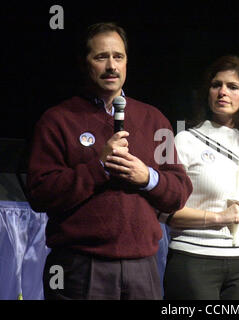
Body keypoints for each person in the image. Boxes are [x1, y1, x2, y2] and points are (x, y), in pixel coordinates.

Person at [26, 22, 193, 300]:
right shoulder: (57, 120)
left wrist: (148, 178)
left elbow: (178, 192)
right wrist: (98, 168)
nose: (111, 66)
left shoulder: (154, 119)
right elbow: (40, 193)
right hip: (80, 266)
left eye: (119, 57)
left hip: (143, 267)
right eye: (101, 57)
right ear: (84, 63)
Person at [160, 55, 239, 300]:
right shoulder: (185, 140)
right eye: (217, 85)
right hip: (194, 260)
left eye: (233, 87)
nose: (222, 92)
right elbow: (166, 213)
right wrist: (218, 218)